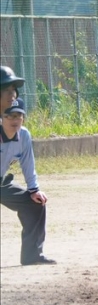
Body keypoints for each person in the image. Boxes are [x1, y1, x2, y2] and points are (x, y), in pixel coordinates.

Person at [0, 97, 56, 265]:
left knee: (35, 204)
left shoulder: (24, 135)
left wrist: (34, 190)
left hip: (2, 183)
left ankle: (32, 256)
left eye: (19, 115)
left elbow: (27, 163)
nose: (15, 120)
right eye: (10, 116)